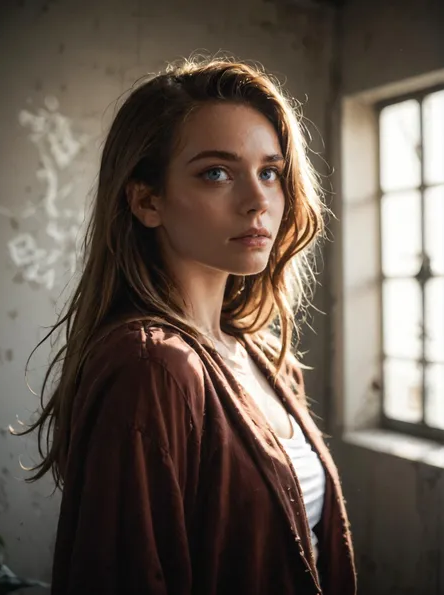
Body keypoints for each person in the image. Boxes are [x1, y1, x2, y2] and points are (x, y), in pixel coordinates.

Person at [19, 56, 356, 594]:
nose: (257, 203)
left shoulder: (264, 357)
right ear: (147, 200)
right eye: (216, 173)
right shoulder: (152, 365)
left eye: (269, 172)